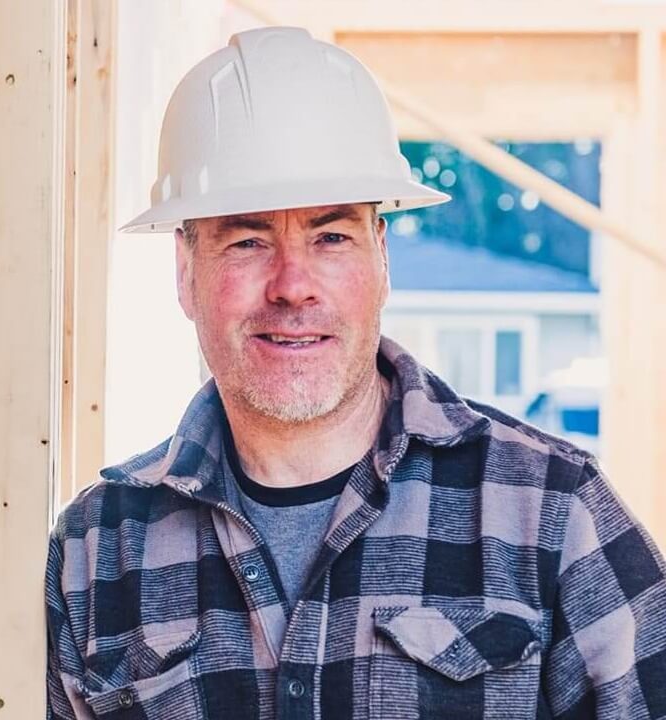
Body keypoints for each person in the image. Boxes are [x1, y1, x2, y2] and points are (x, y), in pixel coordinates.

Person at [45, 26, 666, 719]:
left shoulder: (555, 514)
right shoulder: (93, 556)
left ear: (381, 257)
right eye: (248, 240)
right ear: (187, 273)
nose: (292, 286)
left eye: (330, 236)